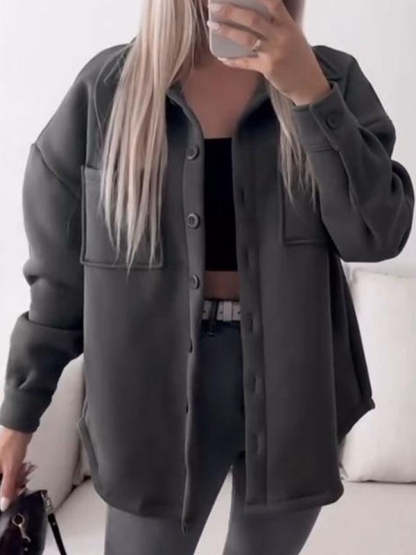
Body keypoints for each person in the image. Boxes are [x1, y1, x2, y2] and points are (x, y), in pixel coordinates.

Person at [0, 0, 414, 553]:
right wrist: (19, 416)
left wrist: (312, 95)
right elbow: (58, 282)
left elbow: (376, 235)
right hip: (148, 394)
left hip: (297, 391)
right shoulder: (106, 92)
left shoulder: (331, 78)